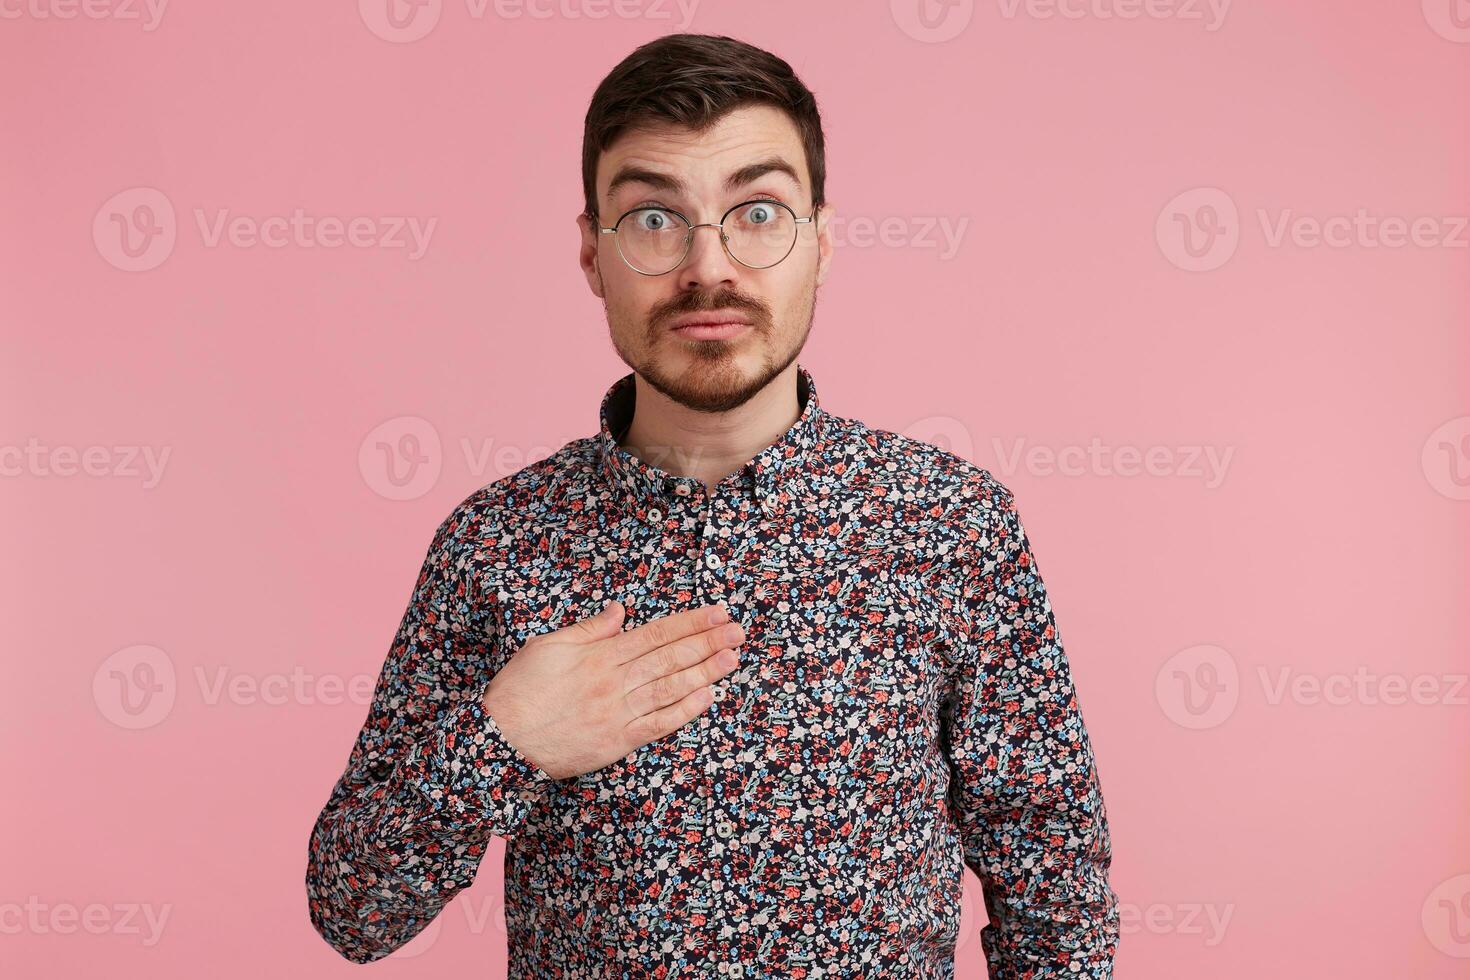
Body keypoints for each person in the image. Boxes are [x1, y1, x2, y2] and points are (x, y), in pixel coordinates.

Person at [305, 32, 1120, 978]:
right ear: (589, 254)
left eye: (758, 211)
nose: (707, 266)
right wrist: (502, 741)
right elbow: (352, 910)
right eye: (654, 218)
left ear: (820, 241)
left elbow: (1055, 895)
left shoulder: (949, 524)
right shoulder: (494, 544)